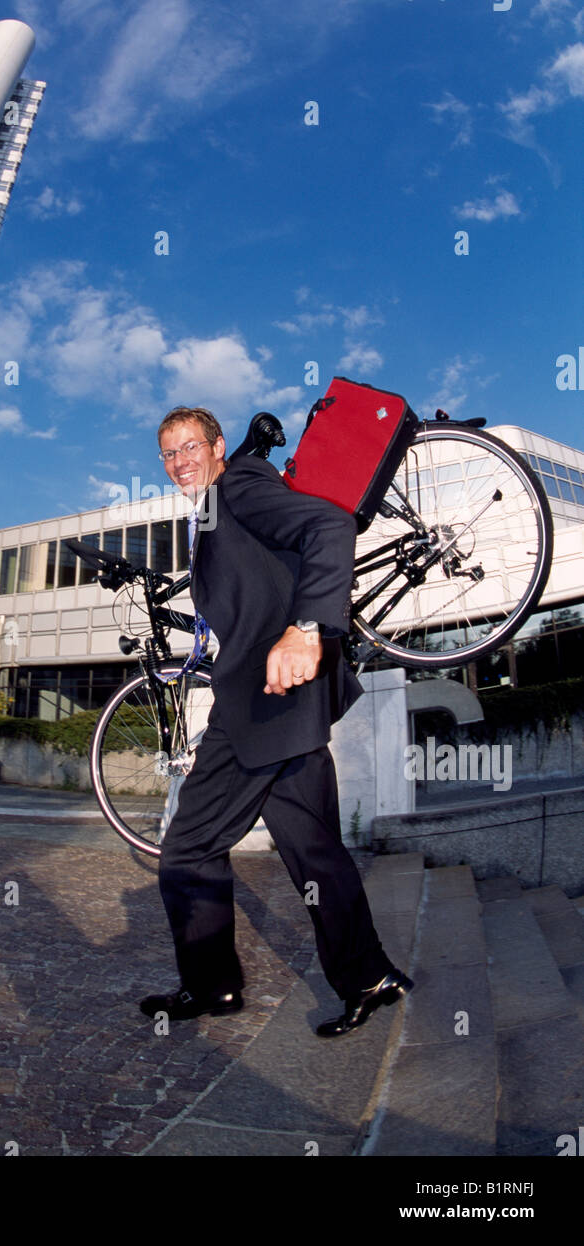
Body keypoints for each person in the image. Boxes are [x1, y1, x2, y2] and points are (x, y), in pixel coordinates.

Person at [140, 405, 413, 1037]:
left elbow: (329, 525)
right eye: (167, 454)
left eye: (189, 447)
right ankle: (369, 977)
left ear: (217, 447)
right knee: (316, 853)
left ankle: (211, 987)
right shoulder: (210, 514)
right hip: (278, 708)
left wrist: (306, 628)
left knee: (188, 847)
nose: (179, 462)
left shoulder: (240, 484)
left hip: (262, 706)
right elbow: (249, 594)